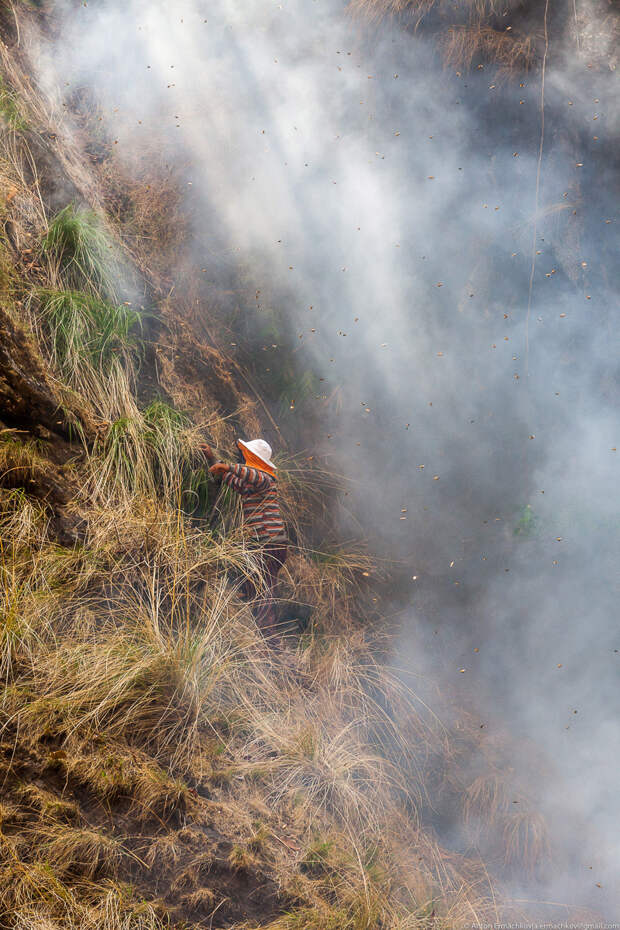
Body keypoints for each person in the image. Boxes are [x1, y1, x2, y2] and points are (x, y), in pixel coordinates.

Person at [200, 438, 288, 641]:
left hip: (270, 545)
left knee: (264, 591)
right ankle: (262, 629)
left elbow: (252, 475)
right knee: (254, 585)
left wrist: (228, 465)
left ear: (253, 459)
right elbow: (232, 480)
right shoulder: (251, 485)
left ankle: (270, 640)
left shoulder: (267, 479)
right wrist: (212, 458)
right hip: (262, 546)